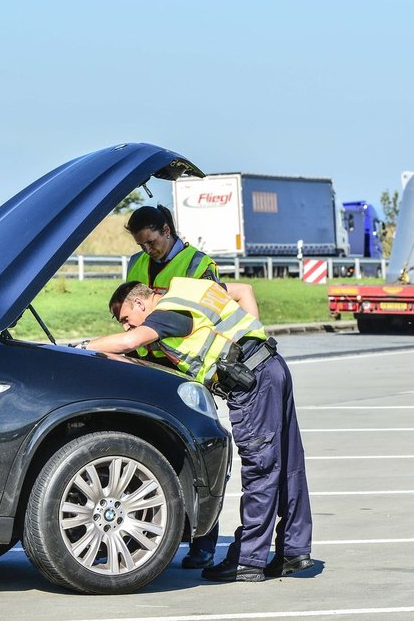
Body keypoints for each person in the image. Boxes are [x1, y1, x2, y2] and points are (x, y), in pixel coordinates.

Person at [85, 278, 313, 582]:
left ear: (140, 302)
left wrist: (83, 348)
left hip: (252, 383)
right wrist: (249, 344)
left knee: (261, 467)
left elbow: (130, 342)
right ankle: (293, 551)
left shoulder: (167, 313)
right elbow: (244, 290)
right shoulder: (190, 289)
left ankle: (248, 559)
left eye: (126, 318)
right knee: (288, 464)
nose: (127, 326)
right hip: (271, 365)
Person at [124, 204, 221, 569]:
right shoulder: (136, 263)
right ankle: (142, 541)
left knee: (197, 457)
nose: (148, 251)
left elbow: (213, 314)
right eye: (141, 244)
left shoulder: (199, 266)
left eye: (151, 242)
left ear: (167, 230)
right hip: (148, 367)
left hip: (187, 371)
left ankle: (204, 543)